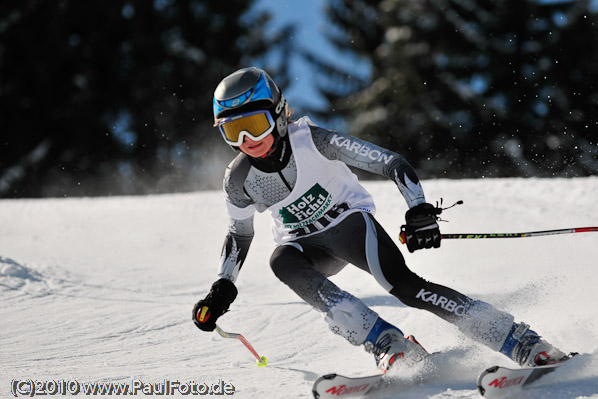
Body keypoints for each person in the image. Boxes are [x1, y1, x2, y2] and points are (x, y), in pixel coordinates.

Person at [192, 67, 568, 372]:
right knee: (281, 261)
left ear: (277, 113)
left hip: (348, 227)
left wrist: (418, 208)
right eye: (231, 131)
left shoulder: (313, 140)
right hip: (304, 247)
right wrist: (223, 286)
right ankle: (389, 344)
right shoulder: (238, 179)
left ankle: (518, 340)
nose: (246, 139)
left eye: (255, 125)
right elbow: (238, 234)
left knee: (404, 286)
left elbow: (391, 162)